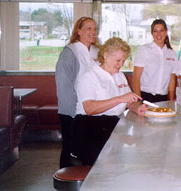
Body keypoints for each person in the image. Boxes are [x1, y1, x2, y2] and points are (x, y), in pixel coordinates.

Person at [73, 37, 148, 165]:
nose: (121, 64)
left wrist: (137, 108)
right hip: (90, 128)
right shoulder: (89, 77)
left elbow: (129, 101)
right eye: (118, 60)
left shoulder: (120, 76)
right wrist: (119, 99)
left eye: (123, 61)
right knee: (104, 167)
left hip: (112, 126)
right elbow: (89, 108)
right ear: (106, 56)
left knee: (117, 165)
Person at [55, 16, 99, 168]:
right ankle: (65, 183)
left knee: (87, 149)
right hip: (72, 111)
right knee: (69, 148)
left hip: (92, 109)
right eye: (88, 28)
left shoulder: (97, 52)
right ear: (78, 31)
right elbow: (63, 85)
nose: (92, 32)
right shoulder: (70, 52)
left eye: (94, 29)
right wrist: (75, 111)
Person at [132, 19, 177, 102]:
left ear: (166, 32)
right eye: (155, 31)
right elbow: (136, 77)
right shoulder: (144, 50)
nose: (158, 34)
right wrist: (138, 101)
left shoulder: (172, 53)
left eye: (161, 30)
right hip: (145, 96)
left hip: (163, 98)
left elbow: (172, 80)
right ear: (152, 33)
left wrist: (170, 101)